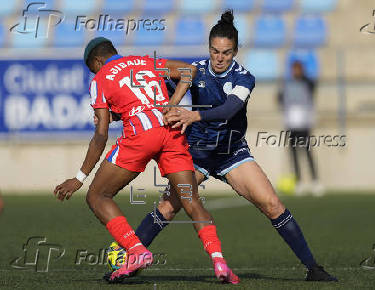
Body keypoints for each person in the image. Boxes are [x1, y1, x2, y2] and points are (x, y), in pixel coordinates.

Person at [133, 10, 337, 282]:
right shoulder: (194, 70)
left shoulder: (244, 77)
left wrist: (193, 115)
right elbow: (165, 86)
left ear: (235, 51)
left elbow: (229, 109)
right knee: (168, 207)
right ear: (209, 49)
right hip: (197, 155)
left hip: (232, 154)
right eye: (215, 51)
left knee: (272, 204)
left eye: (226, 52)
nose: (219, 58)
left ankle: (313, 268)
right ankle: (126, 260)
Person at [53, 37, 239, 284]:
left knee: (97, 196)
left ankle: (136, 250)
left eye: (92, 68)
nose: (94, 73)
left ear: (98, 61)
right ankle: (219, 262)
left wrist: (79, 177)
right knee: (191, 200)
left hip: (141, 137)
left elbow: (101, 134)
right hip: (170, 132)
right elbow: (189, 71)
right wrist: (171, 104)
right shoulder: (144, 61)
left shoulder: (100, 79)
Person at [278, 60, 324, 196]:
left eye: (298, 69)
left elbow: (313, 86)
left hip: (304, 124)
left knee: (308, 152)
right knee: (294, 154)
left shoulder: (307, 83)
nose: (296, 72)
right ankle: (299, 182)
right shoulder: (287, 85)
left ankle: (315, 181)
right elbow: (280, 98)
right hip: (291, 124)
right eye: (294, 69)